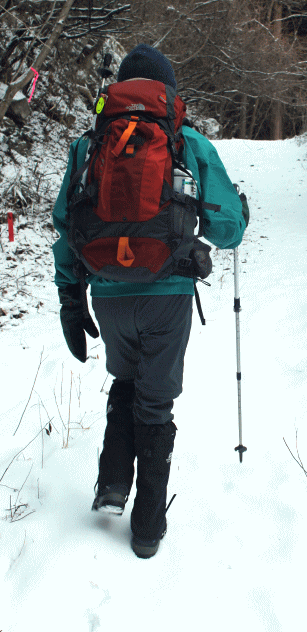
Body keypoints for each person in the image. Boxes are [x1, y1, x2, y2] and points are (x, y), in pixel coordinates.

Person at [52, 44, 248, 558]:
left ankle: (112, 485)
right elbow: (228, 230)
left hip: (107, 293)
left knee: (126, 379)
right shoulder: (186, 141)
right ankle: (146, 528)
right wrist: (237, 212)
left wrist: (71, 301)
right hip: (167, 292)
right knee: (156, 401)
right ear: (169, 94)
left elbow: (65, 226)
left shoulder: (89, 145)